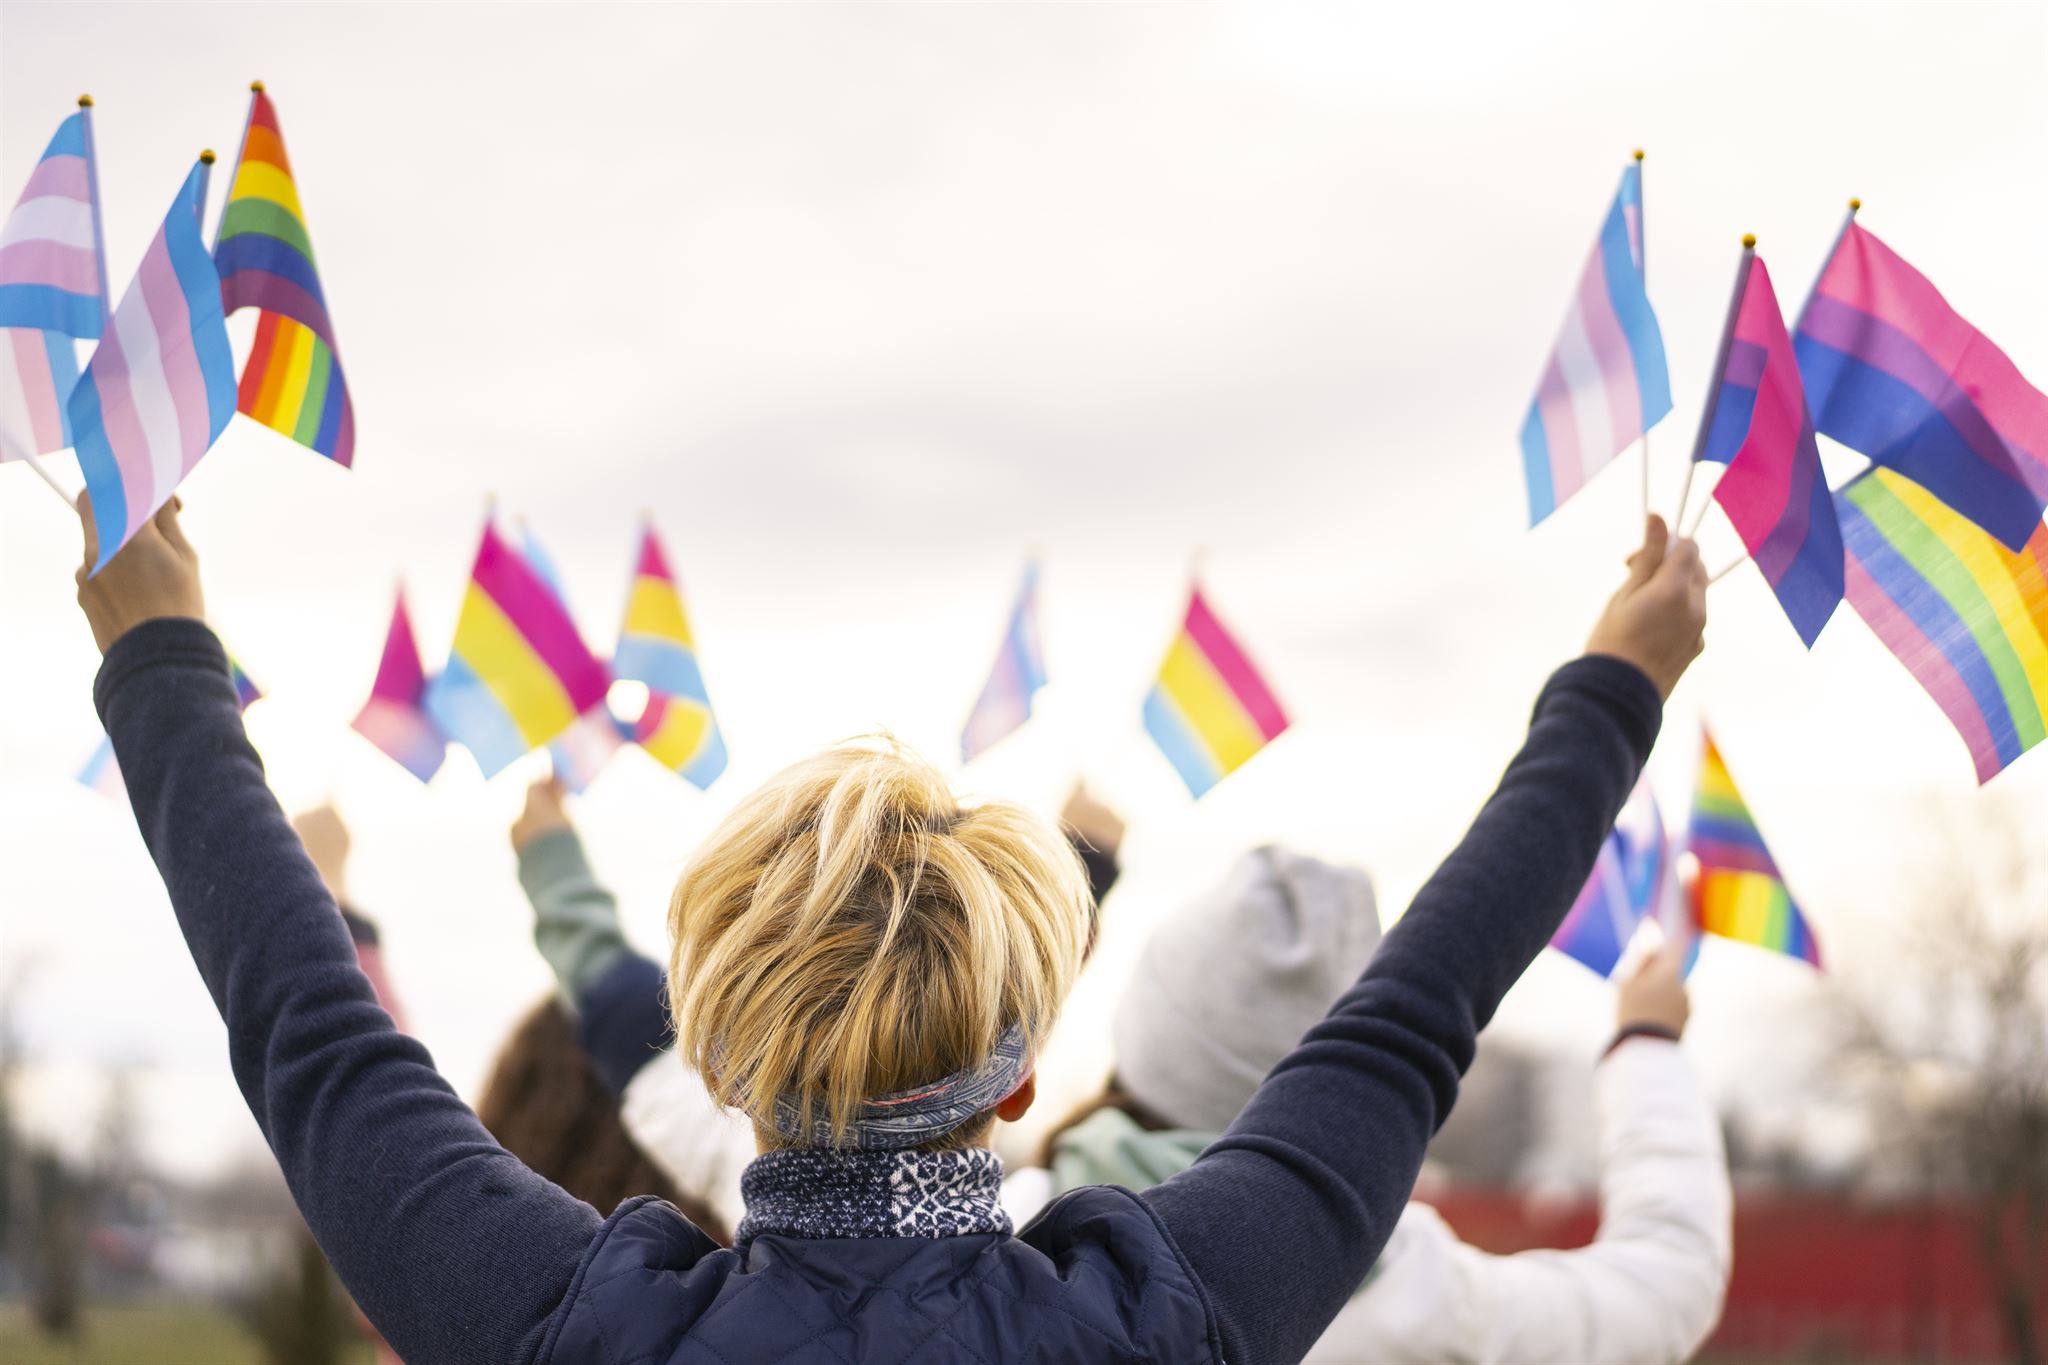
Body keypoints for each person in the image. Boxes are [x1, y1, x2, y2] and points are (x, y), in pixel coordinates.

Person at [73, 491, 1703, 1364]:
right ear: (1018, 1082)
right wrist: (1615, 685)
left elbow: (318, 1042)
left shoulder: (571, 1332)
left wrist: (165, 664)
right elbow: (1407, 1019)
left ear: (715, 1057)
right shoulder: (1170, 1322)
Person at [1018, 845, 1731, 1364]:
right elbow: (1668, 1282)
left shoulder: (1006, 1240)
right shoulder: (1420, 1296)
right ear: (1344, 1077)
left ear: (1141, 1037)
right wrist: (1649, 1044)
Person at [505, 776, 1128, 1237]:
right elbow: (1020, 997)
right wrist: (1082, 868)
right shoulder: (1110, 1292)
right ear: (1019, 1087)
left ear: (718, 1078)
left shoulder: (625, 1322)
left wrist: (549, 856)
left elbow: (608, 990)